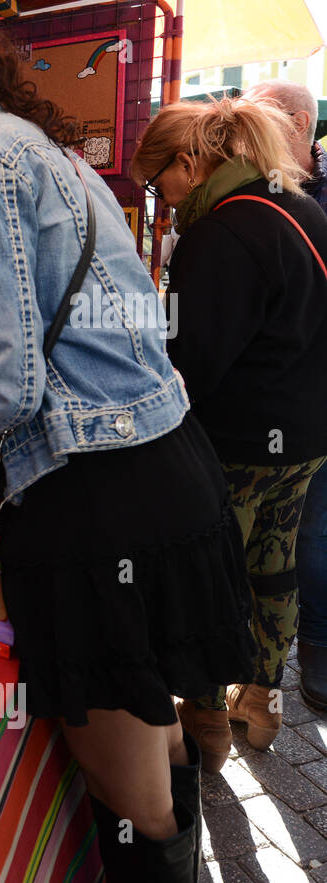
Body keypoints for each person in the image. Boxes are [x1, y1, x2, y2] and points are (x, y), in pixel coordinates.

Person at [0, 0, 258, 883]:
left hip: (93, 499)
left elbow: (2, 382)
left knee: (133, 800)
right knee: (160, 737)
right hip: (166, 467)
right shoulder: (44, 148)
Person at [131, 96, 327, 762]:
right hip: (304, 440)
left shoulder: (218, 234)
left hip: (235, 445)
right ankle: (264, 700)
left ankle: (207, 718)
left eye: (161, 184)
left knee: (215, 574)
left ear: (190, 161)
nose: (163, 201)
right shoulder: (303, 211)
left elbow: (189, 366)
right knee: (274, 564)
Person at [244, 80, 327, 712]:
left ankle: (307, 660)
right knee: (286, 543)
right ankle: (264, 690)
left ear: (299, 122)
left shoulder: (284, 204)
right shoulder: (276, 199)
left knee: (306, 535)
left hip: (289, 414)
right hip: (300, 410)